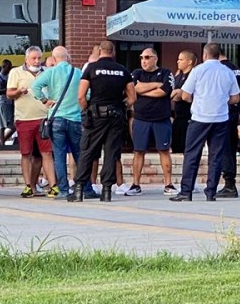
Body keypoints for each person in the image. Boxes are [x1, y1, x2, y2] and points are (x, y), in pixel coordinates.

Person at [170, 42, 240, 202]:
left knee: (192, 154)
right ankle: (211, 192)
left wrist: (198, 100)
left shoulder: (198, 70)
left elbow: (185, 95)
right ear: (218, 54)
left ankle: (186, 191)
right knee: (216, 156)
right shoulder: (228, 72)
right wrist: (221, 101)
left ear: (205, 55)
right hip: (221, 118)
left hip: (200, 118)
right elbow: (235, 97)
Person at [69, 40, 135, 202]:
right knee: (111, 153)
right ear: (112, 52)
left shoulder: (91, 69)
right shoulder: (123, 70)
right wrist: (121, 106)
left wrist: (86, 110)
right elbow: (132, 97)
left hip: (96, 115)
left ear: (99, 51)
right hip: (116, 115)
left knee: (87, 151)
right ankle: (106, 191)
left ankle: (78, 190)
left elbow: (80, 96)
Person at [32, 46, 81, 200]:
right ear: (68, 57)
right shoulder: (78, 73)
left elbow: (35, 87)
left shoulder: (50, 72)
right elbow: (87, 93)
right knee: (79, 154)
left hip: (57, 118)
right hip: (74, 118)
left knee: (58, 156)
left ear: (53, 59)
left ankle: (63, 189)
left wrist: (45, 100)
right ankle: (83, 187)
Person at [7, 46, 57, 198]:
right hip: (24, 118)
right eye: (33, 58)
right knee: (26, 153)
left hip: (44, 118)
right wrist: (18, 92)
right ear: (26, 59)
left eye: (39, 58)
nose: (37, 61)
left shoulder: (47, 72)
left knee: (46, 153)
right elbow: (9, 93)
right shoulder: (16, 72)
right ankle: (28, 186)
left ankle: (53, 186)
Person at [127, 48, 177, 196]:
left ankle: (168, 184)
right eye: (142, 57)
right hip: (141, 118)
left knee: (164, 150)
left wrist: (143, 90)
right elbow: (134, 88)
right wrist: (156, 84)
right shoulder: (136, 73)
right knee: (138, 151)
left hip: (161, 119)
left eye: (147, 57)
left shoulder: (166, 73)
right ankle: (135, 184)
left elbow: (164, 91)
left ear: (155, 58)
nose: (144, 60)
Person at [218, 51, 240, 198]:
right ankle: (230, 182)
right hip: (234, 111)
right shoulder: (236, 68)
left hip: (224, 111)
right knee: (231, 147)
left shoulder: (221, 69)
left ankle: (229, 184)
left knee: (225, 147)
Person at [170, 49, 196, 154]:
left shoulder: (194, 75)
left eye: (181, 59)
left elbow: (184, 95)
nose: (178, 62)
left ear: (189, 62)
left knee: (187, 148)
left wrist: (180, 93)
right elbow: (173, 94)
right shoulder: (178, 76)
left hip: (189, 116)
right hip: (178, 115)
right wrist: (177, 93)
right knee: (176, 146)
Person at [0, 59, 14, 145]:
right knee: (7, 125)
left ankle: (2, 141)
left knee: (6, 125)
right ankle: (2, 142)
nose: (10, 69)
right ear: (3, 67)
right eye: (9, 67)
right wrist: (5, 91)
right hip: (2, 103)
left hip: (9, 102)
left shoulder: (9, 77)